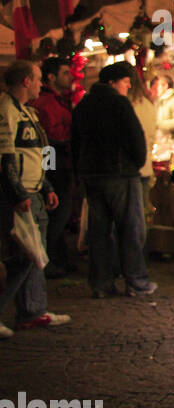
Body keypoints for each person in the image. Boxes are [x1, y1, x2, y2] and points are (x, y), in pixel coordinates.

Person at [70, 61, 157, 299]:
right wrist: (137, 163)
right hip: (120, 174)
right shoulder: (119, 104)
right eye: (126, 82)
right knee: (130, 228)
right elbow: (135, 136)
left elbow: (75, 141)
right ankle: (136, 282)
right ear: (112, 82)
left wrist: (80, 171)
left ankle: (100, 284)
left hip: (92, 175)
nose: (128, 87)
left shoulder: (83, 105)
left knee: (99, 232)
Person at [0, 60, 72, 331]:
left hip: (33, 190)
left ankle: (33, 310)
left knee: (35, 254)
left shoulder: (27, 112)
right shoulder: (7, 111)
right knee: (26, 256)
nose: (42, 83)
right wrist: (17, 192)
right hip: (20, 195)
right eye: (38, 78)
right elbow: (6, 157)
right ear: (26, 81)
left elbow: (36, 154)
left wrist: (46, 186)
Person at [31, 56, 78, 277]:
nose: (70, 77)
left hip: (58, 161)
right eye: (65, 73)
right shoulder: (46, 103)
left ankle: (58, 258)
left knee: (60, 214)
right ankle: (47, 259)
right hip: (55, 162)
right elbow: (47, 139)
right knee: (58, 212)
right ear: (51, 77)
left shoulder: (58, 100)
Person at [126, 67, 157, 226]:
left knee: (130, 221)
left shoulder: (126, 106)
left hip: (129, 170)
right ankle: (142, 250)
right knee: (141, 218)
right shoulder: (147, 105)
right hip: (144, 167)